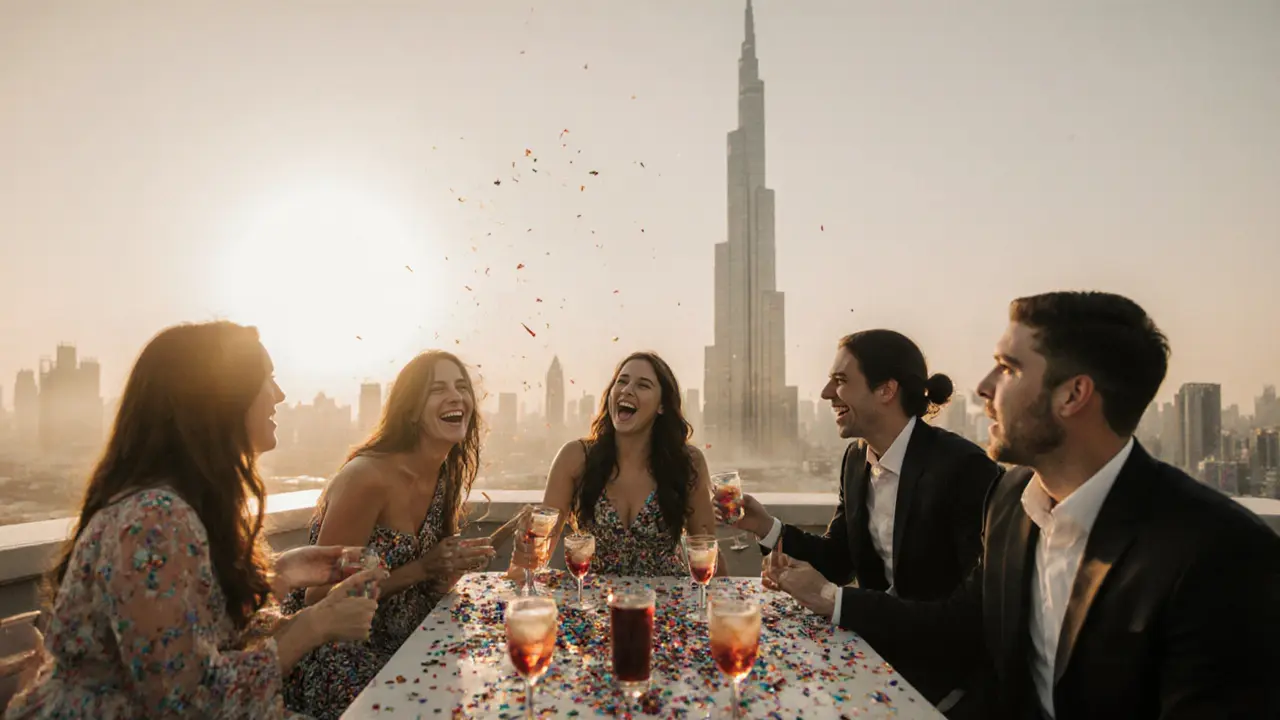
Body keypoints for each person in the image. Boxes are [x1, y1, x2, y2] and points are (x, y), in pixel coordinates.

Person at [768, 292, 1280, 720]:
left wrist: (834, 598)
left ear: (1074, 395)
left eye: (1008, 368)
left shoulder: (1218, 554)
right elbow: (966, 625)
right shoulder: (1012, 501)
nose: (983, 388)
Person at [6, 322, 384, 720]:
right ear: (221, 399)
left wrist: (282, 573)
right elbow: (185, 702)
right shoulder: (153, 521)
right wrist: (315, 625)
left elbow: (196, 634)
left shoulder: (186, 509)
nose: (279, 395)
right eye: (267, 379)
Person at [734, 330, 1000, 710]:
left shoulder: (963, 468)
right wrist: (766, 527)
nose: (826, 393)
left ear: (886, 390)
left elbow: (969, 617)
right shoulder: (856, 460)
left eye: (840, 380)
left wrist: (832, 599)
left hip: (945, 684)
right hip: (876, 658)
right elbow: (839, 559)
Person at [281, 350, 495, 720]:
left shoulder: (444, 476)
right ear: (411, 410)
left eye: (461, 387)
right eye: (437, 389)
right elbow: (319, 598)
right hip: (342, 656)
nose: (456, 396)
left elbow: (428, 580)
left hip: (411, 640)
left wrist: (452, 565)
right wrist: (423, 569)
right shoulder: (367, 478)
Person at [517, 351, 719, 577]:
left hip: (668, 596)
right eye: (622, 381)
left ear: (662, 405)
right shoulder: (575, 457)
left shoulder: (688, 462)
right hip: (592, 596)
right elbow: (534, 557)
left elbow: (708, 553)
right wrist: (525, 546)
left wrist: (727, 594)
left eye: (643, 385)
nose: (627, 390)